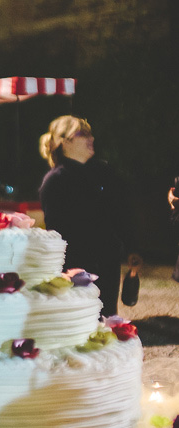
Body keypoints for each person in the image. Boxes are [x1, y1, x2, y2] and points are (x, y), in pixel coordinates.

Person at [39, 115, 142, 317]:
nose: (91, 138)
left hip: (107, 263)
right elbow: (57, 233)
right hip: (77, 270)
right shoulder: (56, 181)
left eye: (90, 133)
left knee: (107, 318)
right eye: (82, 133)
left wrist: (132, 247)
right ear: (65, 141)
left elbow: (120, 212)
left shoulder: (103, 172)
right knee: (83, 321)